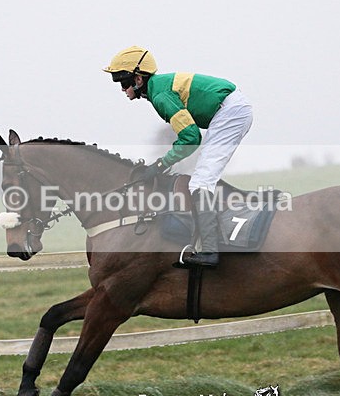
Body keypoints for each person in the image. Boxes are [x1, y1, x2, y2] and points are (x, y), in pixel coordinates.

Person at [103, 45, 253, 267]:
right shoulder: (158, 88)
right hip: (227, 110)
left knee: (201, 182)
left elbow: (191, 137)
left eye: (124, 83)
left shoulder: (161, 95)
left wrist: (161, 164)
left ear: (139, 79)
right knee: (200, 180)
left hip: (230, 112)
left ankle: (211, 251)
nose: (122, 89)